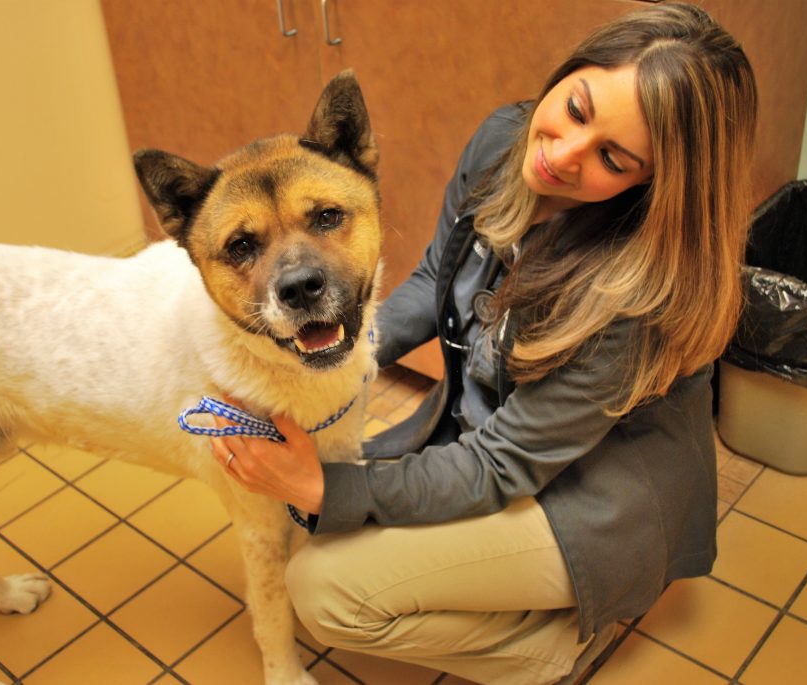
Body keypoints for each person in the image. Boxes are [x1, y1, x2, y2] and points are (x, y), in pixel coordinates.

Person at [211, 3, 758, 684]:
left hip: (591, 493)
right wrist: (315, 361)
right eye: (578, 109)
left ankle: (548, 651)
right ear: (571, 71)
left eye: (612, 157)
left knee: (324, 588)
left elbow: (500, 468)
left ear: (657, 185)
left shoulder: (637, 296)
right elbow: (439, 275)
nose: (560, 155)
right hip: (501, 439)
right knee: (334, 519)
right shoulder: (505, 140)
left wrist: (322, 483)